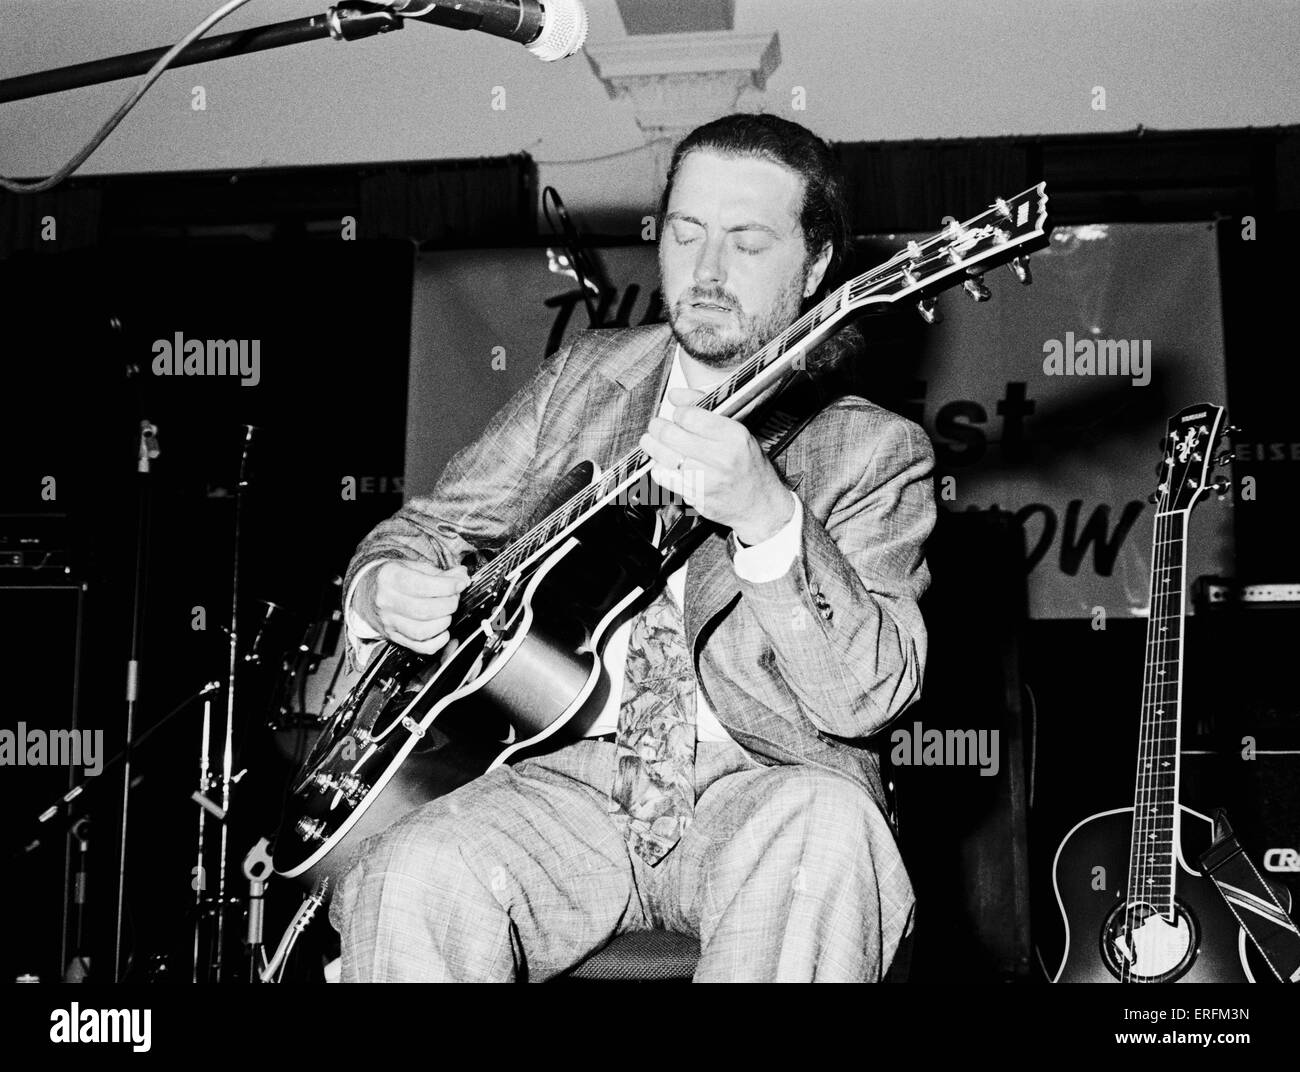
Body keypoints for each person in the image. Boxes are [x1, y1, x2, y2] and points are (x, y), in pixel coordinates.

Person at [328, 112, 936, 982]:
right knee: (413, 872)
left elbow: (867, 699)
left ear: (817, 265)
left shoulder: (875, 452)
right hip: (561, 785)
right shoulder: (584, 377)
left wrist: (769, 519)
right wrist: (382, 587)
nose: (709, 270)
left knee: (829, 832)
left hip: (758, 790)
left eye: (749, 241)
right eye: (686, 233)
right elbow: (425, 530)